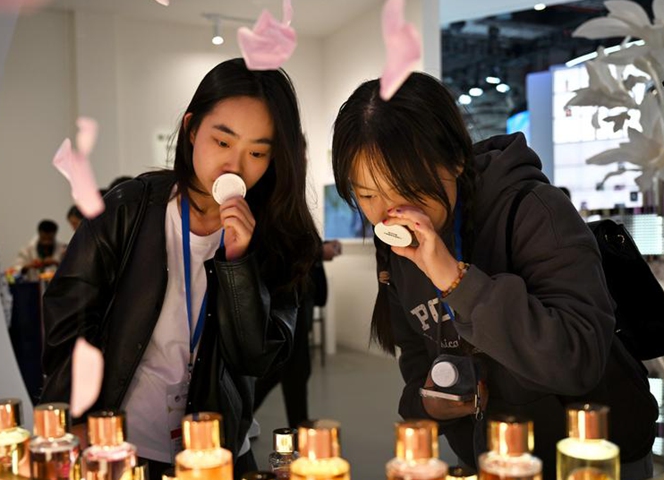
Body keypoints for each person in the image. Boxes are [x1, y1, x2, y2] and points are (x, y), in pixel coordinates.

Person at [331, 73, 657, 480]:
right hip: (493, 458)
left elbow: (579, 358)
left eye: (407, 188)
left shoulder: (534, 210)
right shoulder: (395, 250)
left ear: (455, 160)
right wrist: (430, 403)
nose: (387, 213)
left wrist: (456, 280)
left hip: (591, 458)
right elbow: (418, 359)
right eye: (366, 194)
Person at [40, 58, 319, 480]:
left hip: (220, 445)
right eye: (222, 142)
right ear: (192, 129)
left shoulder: (278, 236)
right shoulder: (128, 208)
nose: (235, 166)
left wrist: (237, 262)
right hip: (122, 440)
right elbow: (68, 316)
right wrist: (76, 415)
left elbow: (256, 358)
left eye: (258, 152)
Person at [253, 239, 341, 428]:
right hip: (286, 297)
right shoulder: (274, 211)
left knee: (296, 367)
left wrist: (322, 246)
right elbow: (281, 244)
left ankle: (298, 422)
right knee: (282, 366)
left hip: (297, 295)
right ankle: (237, 418)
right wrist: (319, 251)